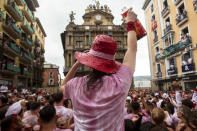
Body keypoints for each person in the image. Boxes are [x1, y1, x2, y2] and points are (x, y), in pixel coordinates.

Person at [60, 8, 137, 131]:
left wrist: (76, 65)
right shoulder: (120, 83)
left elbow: (61, 88)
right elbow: (132, 49)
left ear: (89, 61)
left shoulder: (76, 84)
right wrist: (130, 22)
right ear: (112, 60)